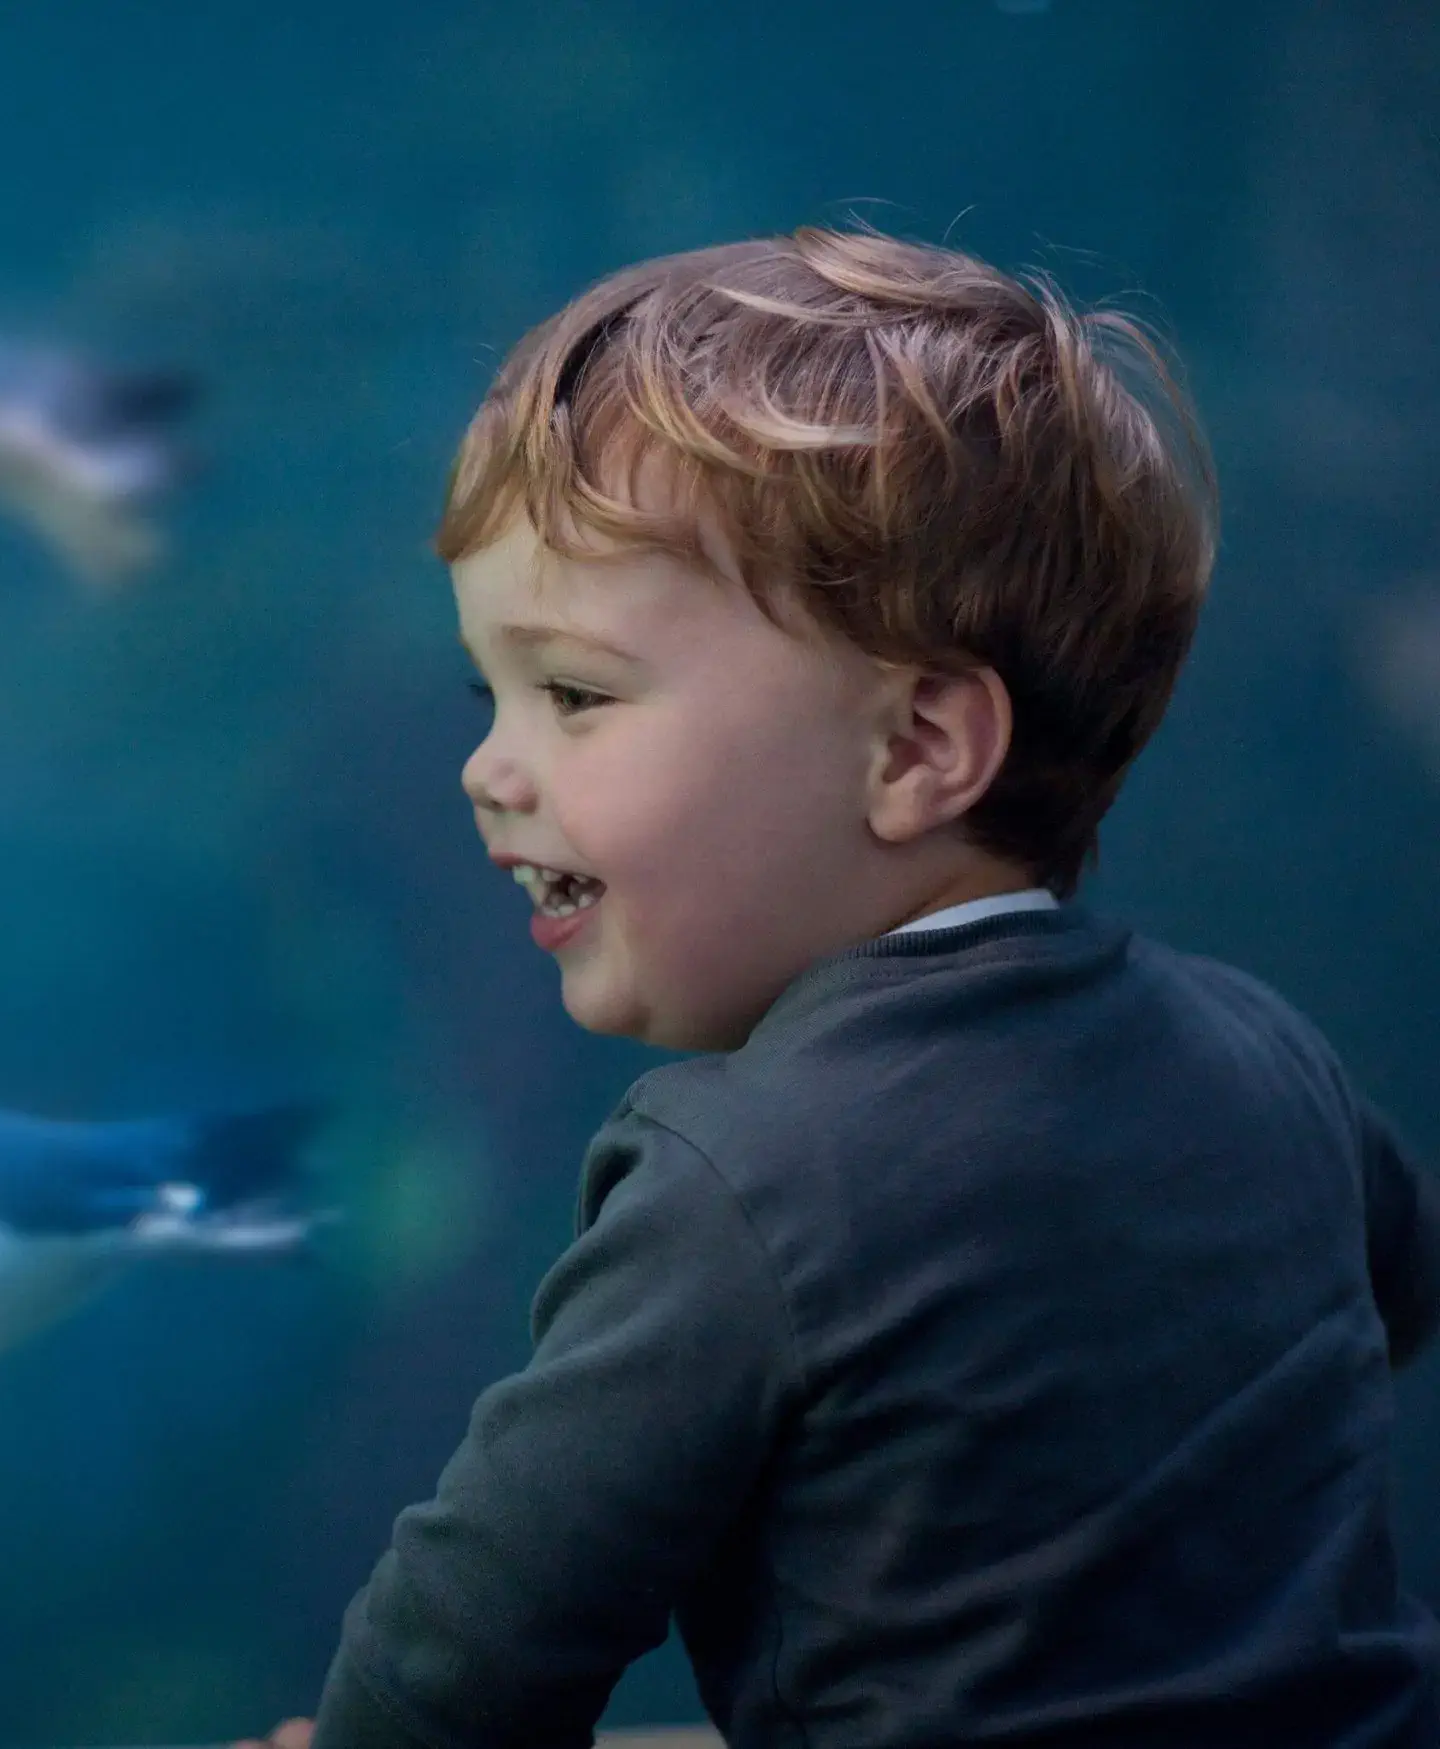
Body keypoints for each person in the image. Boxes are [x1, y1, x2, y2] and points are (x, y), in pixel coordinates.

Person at [247, 227, 1440, 1747]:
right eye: (491, 695)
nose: (490, 766)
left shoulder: (746, 1175)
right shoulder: (1266, 1054)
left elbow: (479, 1628)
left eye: (576, 696)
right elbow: (1387, 1296)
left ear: (917, 751)